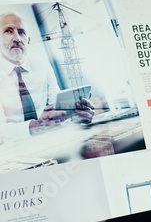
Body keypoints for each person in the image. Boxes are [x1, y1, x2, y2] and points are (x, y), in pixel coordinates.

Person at [0, 12, 93, 140]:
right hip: (12, 151)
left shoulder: (42, 67)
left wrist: (76, 116)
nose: (17, 38)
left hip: (49, 140)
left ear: (28, 40)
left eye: (21, 32)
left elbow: (55, 109)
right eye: (8, 31)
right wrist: (37, 126)